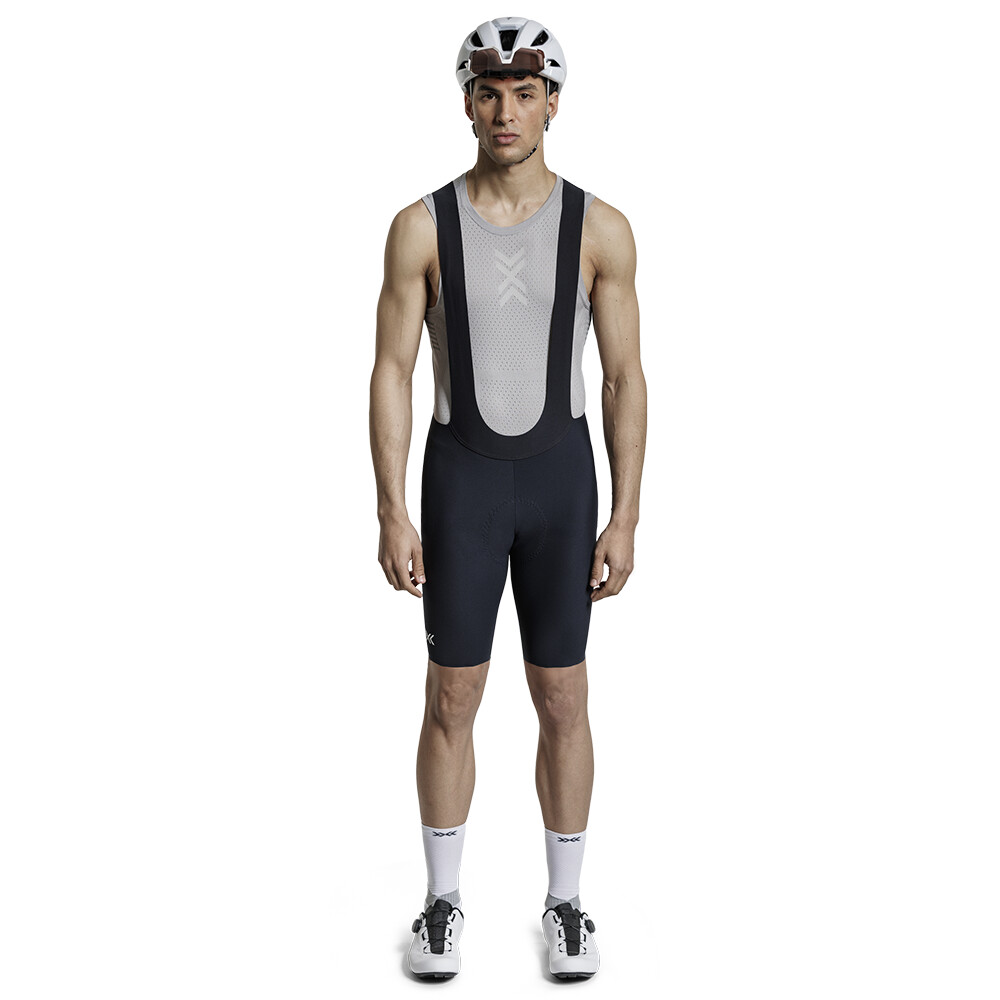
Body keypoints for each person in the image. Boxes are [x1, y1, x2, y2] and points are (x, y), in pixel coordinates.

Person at [369, 16, 646, 980]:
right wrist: (391, 508)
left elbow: (624, 378)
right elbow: (392, 370)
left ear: (552, 103)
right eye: (489, 93)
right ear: (467, 102)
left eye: (525, 94)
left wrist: (626, 513)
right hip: (463, 482)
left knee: (563, 695)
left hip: (562, 483)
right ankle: (442, 903)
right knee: (452, 693)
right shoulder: (420, 226)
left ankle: (566, 906)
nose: (506, 112)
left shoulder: (601, 227)